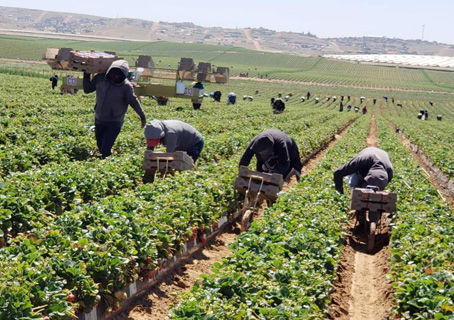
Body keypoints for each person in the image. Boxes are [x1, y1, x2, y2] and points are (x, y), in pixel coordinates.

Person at [83, 60, 146, 159]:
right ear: (109, 72)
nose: (116, 77)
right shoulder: (100, 79)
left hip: (114, 121)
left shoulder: (126, 86)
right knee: (100, 146)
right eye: (114, 73)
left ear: (124, 75)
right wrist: (86, 76)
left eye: (119, 75)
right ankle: (104, 162)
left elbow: (133, 101)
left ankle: (104, 166)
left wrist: (142, 116)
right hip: (99, 119)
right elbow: (87, 89)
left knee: (105, 149)